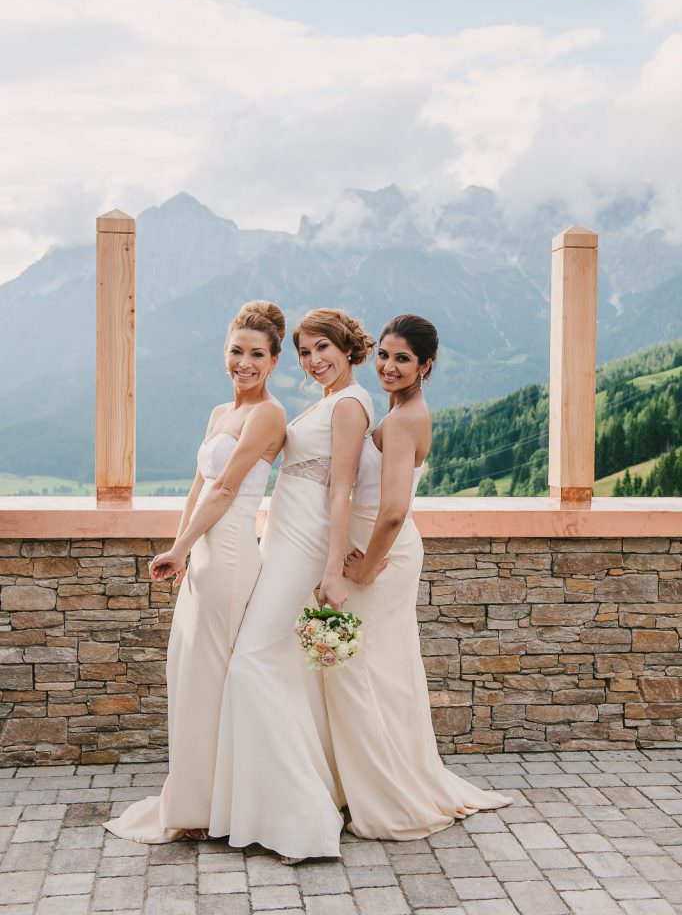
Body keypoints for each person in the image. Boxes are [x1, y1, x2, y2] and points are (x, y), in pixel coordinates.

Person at [104, 301, 287, 843]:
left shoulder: (269, 415)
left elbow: (229, 489)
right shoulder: (217, 413)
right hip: (203, 555)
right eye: (236, 351)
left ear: (274, 361)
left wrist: (183, 549)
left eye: (257, 354)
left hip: (229, 554)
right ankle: (193, 798)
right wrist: (180, 545)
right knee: (189, 672)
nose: (244, 362)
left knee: (214, 676)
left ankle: (222, 804)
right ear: (224, 353)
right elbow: (197, 488)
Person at [325, 314, 512, 839]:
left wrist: (365, 564)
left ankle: (384, 791)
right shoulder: (398, 409)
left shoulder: (406, 419)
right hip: (380, 551)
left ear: (425, 366)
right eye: (384, 354)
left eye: (402, 358)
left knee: (361, 670)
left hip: (384, 556)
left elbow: (392, 510)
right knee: (377, 669)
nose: (388, 365)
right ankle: (365, 780)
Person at [209, 308, 375, 861]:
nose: (314, 360)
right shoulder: (326, 403)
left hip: (305, 545)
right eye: (305, 352)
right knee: (275, 667)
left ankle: (300, 820)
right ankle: (264, 809)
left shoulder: (350, 405)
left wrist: (330, 570)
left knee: (251, 663)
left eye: (323, 347)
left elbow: (340, 490)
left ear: (348, 348)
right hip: (280, 538)